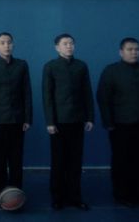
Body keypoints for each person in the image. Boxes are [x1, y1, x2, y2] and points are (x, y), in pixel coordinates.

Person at [97, 37, 139, 208]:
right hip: (120, 125)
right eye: (130, 49)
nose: (134, 52)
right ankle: (122, 195)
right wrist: (108, 122)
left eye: (137, 49)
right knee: (122, 162)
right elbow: (103, 98)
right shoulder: (111, 71)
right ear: (121, 52)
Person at [42, 34, 93, 211]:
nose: (69, 46)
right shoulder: (50, 67)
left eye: (71, 43)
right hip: (58, 122)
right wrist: (50, 121)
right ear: (57, 47)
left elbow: (87, 93)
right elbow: (47, 96)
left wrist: (90, 117)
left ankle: (75, 197)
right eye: (65, 44)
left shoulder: (81, 66)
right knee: (58, 162)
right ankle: (57, 197)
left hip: (77, 120)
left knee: (75, 162)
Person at [0, 32, 32, 206]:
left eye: (9, 42)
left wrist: (27, 118)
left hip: (18, 121)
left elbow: (27, 93)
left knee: (16, 161)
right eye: (2, 43)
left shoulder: (22, 65)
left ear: (13, 45)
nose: (7, 45)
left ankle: (17, 196)